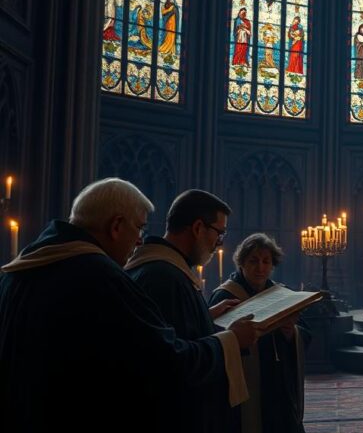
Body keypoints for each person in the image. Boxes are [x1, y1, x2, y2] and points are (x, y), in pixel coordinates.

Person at [0, 178, 257, 433]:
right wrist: (231, 340)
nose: (139, 241)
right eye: (139, 228)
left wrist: (203, 318)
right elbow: (165, 362)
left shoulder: (18, 271)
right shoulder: (99, 276)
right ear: (116, 226)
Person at [126, 189, 251, 433]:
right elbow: (172, 362)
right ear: (197, 227)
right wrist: (233, 339)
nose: (219, 243)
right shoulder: (164, 276)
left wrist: (206, 315)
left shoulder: (161, 269)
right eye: (219, 233)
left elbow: (173, 331)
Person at [210, 233, 310, 433]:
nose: (261, 267)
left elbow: (304, 333)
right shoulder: (225, 296)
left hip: (278, 384)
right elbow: (212, 340)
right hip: (243, 386)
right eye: (253, 261)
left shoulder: (281, 294)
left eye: (266, 261)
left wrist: (291, 331)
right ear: (242, 263)